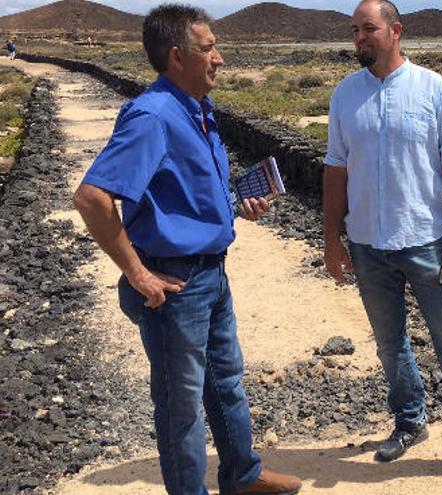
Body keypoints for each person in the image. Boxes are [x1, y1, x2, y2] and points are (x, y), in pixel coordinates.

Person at [73, 5, 301, 495]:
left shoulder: (195, 108)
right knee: (181, 406)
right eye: (208, 48)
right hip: (174, 285)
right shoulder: (153, 115)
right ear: (177, 57)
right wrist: (137, 273)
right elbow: (92, 197)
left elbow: (181, 194)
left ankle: (242, 475)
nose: (219, 58)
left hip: (211, 275)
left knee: (226, 385)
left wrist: (236, 205)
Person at [322, 0, 442, 491]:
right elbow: (336, 171)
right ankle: (410, 421)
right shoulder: (345, 94)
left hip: (427, 242)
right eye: (354, 31)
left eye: (368, 29)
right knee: (390, 345)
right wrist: (331, 240)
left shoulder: (432, 88)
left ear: (395, 30)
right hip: (366, 245)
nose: (359, 39)